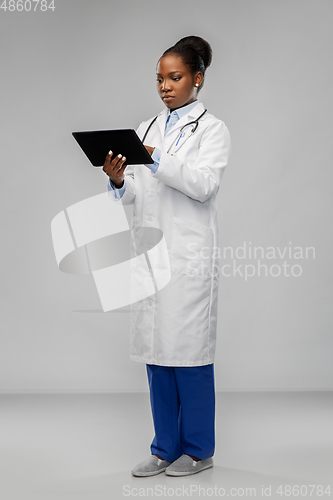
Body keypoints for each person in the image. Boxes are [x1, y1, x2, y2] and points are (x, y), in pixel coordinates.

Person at [103, 35, 231, 477]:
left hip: (189, 258)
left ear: (197, 78)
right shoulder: (143, 129)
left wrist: (157, 161)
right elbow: (137, 196)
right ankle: (163, 448)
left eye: (174, 77)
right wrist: (120, 180)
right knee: (158, 356)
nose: (165, 86)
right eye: (159, 78)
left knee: (190, 358)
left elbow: (203, 184)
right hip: (152, 258)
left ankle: (198, 451)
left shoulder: (213, 130)